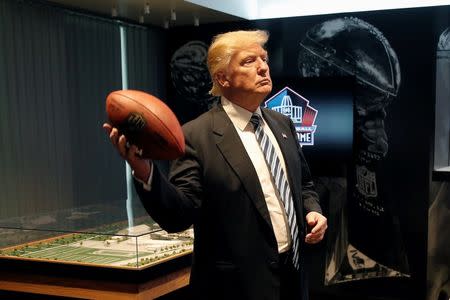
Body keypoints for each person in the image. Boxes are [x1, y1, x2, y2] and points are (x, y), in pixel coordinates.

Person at [104, 29, 327, 300]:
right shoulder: (197, 136)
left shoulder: (283, 125)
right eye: (249, 61)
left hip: (294, 278)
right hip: (236, 288)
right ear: (222, 78)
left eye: (264, 59)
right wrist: (144, 170)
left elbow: (303, 183)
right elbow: (179, 215)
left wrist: (312, 210)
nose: (263, 67)